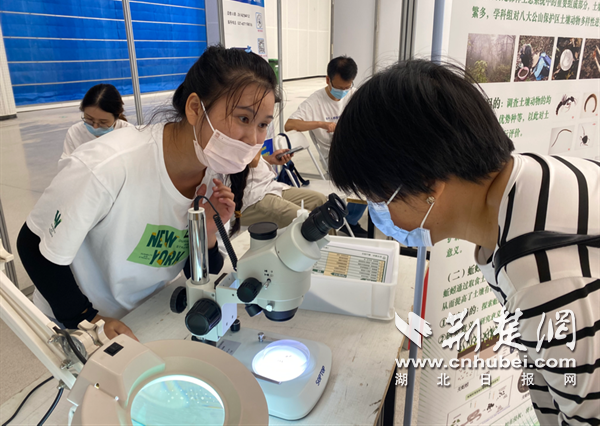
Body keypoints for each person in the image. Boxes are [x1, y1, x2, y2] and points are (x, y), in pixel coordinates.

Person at [328, 59, 599, 425]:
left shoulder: (542, 279)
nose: (381, 214)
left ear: (429, 185)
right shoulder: (534, 177)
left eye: (379, 199)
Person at [17, 46, 279, 340]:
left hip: (145, 312)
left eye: (263, 124)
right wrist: (84, 318)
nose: (253, 138)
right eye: (243, 118)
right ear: (195, 108)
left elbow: (200, 273)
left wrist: (206, 232)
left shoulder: (213, 171)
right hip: (76, 319)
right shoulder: (109, 164)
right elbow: (33, 244)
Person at [285, 56, 368, 238]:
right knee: (368, 179)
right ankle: (349, 221)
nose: (343, 92)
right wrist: (321, 124)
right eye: (339, 88)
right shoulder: (315, 101)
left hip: (355, 150)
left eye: (347, 88)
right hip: (334, 158)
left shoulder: (354, 95)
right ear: (328, 80)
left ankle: (351, 220)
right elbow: (289, 125)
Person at [232, 149, 327, 231]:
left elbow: (255, 159)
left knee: (320, 200)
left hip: (269, 185)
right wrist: (257, 138)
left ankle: (330, 246)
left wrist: (270, 159)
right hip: (250, 196)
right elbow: (252, 160)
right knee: (311, 223)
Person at [61, 84, 133, 159]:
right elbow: (67, 163)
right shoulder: (75, 133)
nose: (95, 127)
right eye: (89, 119)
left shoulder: (129, 133)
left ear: (118, 116)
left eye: (103, 122)